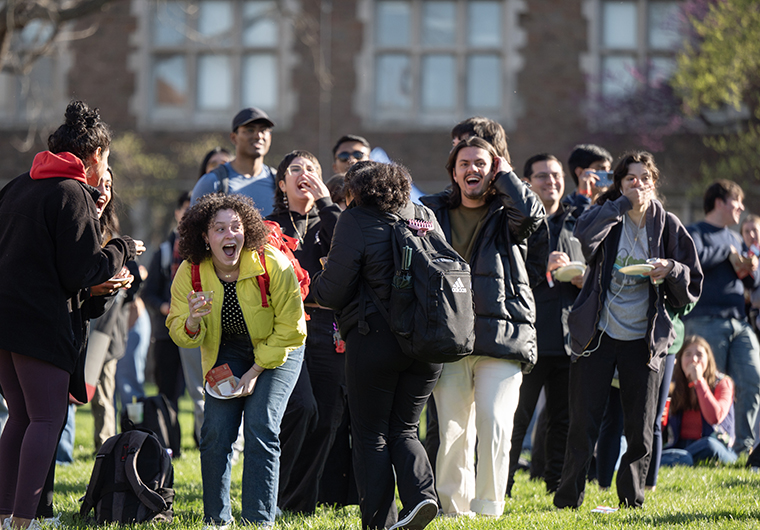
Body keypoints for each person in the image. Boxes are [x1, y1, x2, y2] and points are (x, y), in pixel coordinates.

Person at [0, 101, 143, 530]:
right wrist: (123, 248)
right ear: (96, 156)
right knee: (46, 418)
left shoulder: (17, 186)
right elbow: (83, 270)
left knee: (20, 418)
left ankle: (5, 515)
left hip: (5, 326)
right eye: (107, 160)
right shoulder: (72, 190)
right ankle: (25, 520)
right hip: (40, 326)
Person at [553, 151, 702, 510]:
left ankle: (631, 499)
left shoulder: (667, 224)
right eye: (630, 179)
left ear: (654, 183)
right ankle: (568, 498)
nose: (638, 185)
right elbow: (584, 237)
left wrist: (670, 268)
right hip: (598, 334)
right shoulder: (610, 216)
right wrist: (618, 205)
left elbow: (694, 280)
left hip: (645, 338)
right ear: (619, 184)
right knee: (583, 422)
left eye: (644, 178)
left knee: (640, 427)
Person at [420, 137, 545, 517]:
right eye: (464, 163)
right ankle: (454, 509)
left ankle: (489, 506)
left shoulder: (509, 213)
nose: (472, 169)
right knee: (453, 429)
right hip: (449, 339)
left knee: (495, 422)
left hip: (502, 338)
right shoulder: (430, 212)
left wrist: (505, 173)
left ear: (494, 170)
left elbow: (532, 214)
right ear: (453, 172)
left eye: (481, 163)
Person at [313, 161, 441, 530]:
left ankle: (378, 523)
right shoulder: (422, 214)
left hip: (376, 342)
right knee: (405, 428)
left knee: (371, 433)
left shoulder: (354, 220)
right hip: (428, 341)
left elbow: (332, 290)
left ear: (356, 191)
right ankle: (422, 497)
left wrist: (319, 278)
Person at [167, 193, 306, 527]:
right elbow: (177, 328)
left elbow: (292, 329)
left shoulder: (272, 262)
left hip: (278, 347)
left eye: (236, 227)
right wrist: (194, 321)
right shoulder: (191, 271)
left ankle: (258, 520)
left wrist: (256, 370)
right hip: (227, 350)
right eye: (219, 229)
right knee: (215, 431)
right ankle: (216, 519)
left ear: (248, 231)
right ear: (205, 236)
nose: (229, 235)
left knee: (261, 425)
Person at [266, 151, 343, 514]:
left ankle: (298, 504)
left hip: (329, 328)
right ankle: (273, 492)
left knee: (327, 417)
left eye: (311, 169)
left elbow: (348, 248)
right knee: (300, 408)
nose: (304, 174)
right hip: (286, 327)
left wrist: (327, 202)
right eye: (295, 169)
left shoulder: (332, 218)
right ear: (282, 184)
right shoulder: (268, 224)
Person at [507, 153, 584, 497]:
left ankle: (555, 486)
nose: (551, 181)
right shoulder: (517, 223)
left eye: (556, 175)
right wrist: (543, 267)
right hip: (527, 338)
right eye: (542, 176)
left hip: (569, 340)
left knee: (562, 421)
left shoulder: (575, 221)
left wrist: (584, 275)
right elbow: (506, 276)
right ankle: (501, 486)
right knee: (515, 419)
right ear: (527, 182)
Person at [683, 180, 760, 454]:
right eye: (735, 201)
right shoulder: (695, 232)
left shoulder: (737, 238)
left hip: (739, 323)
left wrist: (749, 268)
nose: (741, 206)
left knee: (751, 379)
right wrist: (727, 253)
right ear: (719, 202)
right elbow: (695, 262)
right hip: (705, 321)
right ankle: (707, 447)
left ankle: (744, 449)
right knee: (706, 385)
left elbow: (746, 283)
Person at [143, 192, 192, 416]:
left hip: (198, 330)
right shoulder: (163, 252)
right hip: (167, 332)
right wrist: (164, 307)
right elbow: (149, 292)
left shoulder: (209, 252)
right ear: (177, 213)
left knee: (200, 391)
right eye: (186, 208)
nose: (189, 214)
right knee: (167, 392)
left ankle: (200, 438)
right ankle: (169, 442)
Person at [662, 335, 737, 466]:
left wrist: (699, 382)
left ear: (709, 359)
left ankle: (677, 459)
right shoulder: (673, 385)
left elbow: (715, 417)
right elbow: (659, 427)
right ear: (680, 360)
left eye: (699, 355)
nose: (694, 360)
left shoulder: (723, 383)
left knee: (709, 445)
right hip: (680, 446)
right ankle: (681, 458)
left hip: (714, 446)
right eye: (688, 354)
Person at [191, 108, 277, 216]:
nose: (258, 136)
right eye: (250, 130)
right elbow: (194, 231)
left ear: (270, 137)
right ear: (233, 137)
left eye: (263, 130)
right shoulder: (213, 182)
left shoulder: (279, 183)